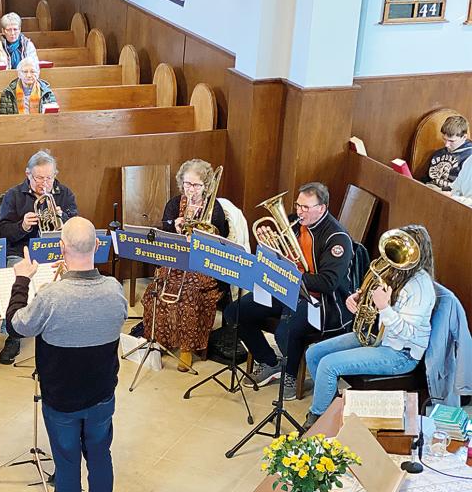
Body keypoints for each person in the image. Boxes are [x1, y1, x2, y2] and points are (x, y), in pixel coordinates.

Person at [5, 217, 127, 492]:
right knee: (100, 456)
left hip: (61, 398)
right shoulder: (114, 289)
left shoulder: (51, 297)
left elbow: (16, 325)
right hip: (101, 394)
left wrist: (22, 279)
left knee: (67, 463)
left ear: (62, 248)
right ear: (97, 246)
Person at [229, 182, 354, 400]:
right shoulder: (295, 223)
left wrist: (290, 276)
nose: (299, 211)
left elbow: (328, 283)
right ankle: (269, 361)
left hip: (320, 302)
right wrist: (268, 243)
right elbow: (279, 257)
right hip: (287, 289)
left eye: (306, 207)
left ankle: (290, 375)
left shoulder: (337, 238)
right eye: (298, 205)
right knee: (235, 312)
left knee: (285, 331)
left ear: (322, 208)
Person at [302, 224, 435, 428]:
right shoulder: (394, 269)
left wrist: (383, 307)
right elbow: (372, 294)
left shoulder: (420, 287)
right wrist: (358, 297)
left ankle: (317, 420)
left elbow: (408, 332)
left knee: (328, 365)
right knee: (314, 354)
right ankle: (334, 411)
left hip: (400, 353)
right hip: (375, 336)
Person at [133, 159, 230, 372]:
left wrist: (201, 236)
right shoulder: (175, 203)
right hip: (175, 261)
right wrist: (173, 227)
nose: (191, 189)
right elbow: (164, 229)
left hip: (202, 266)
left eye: (196, 185)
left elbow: (221, 239)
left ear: (206, 186)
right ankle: (160, 339)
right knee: (154, 292)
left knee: (189, 295)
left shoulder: (215, 208)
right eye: (187, 184)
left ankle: (187, 347)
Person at [0, 150, 78, 364]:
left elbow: (75, 226)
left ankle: (63, 329)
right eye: (39, 178)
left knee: (72, 282)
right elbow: (2, 232)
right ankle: (13, 334)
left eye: (49, 178)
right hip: (22, 253)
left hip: (54, 252)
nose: (44, 184)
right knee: (18, 279)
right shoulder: (13, 195)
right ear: (28, 175)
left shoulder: (65, 193)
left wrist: (64, 217)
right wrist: (22, 226)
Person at [422, 115, 470, 193]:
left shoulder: (469, 157)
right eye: (444, 139)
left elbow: (464, 190)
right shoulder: (439, 153)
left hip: (451, 197)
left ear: (464, 137)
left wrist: (441, 190)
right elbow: (427, 177)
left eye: (451, 141)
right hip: (430, 190)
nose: (446, 145)